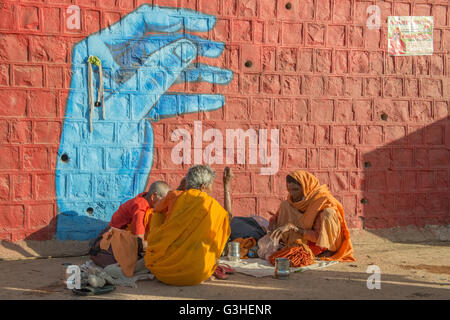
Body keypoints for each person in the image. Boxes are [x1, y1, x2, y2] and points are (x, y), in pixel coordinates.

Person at [145, 165, 233, 285]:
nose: (211, 189)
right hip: (198, 273)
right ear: (203, 187)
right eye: (211, 185)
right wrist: (226, 186)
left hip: (162, 271)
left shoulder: (174, 196)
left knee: (157, 214)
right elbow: (228, 218)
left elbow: (157, 210)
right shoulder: (211, 205)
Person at [269, 170, 355, 262]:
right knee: (285, 205)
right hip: (299, 239)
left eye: (295, 190)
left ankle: (330, 250)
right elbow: (274, 220)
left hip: (318, 243)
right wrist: (273, 228)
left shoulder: (322, 201)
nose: (292, 194)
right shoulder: (290, 202)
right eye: (289, 190)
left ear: (306, 187)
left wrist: (293, 228)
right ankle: (289, 243)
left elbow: (317, 237)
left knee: (329, 213)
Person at [89, 180, 170, 269]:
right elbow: (139, 242)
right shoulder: (140, 207)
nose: (165, 205)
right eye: (164, 201)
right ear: (153, 196)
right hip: (109, 243)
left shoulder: (145, 200)